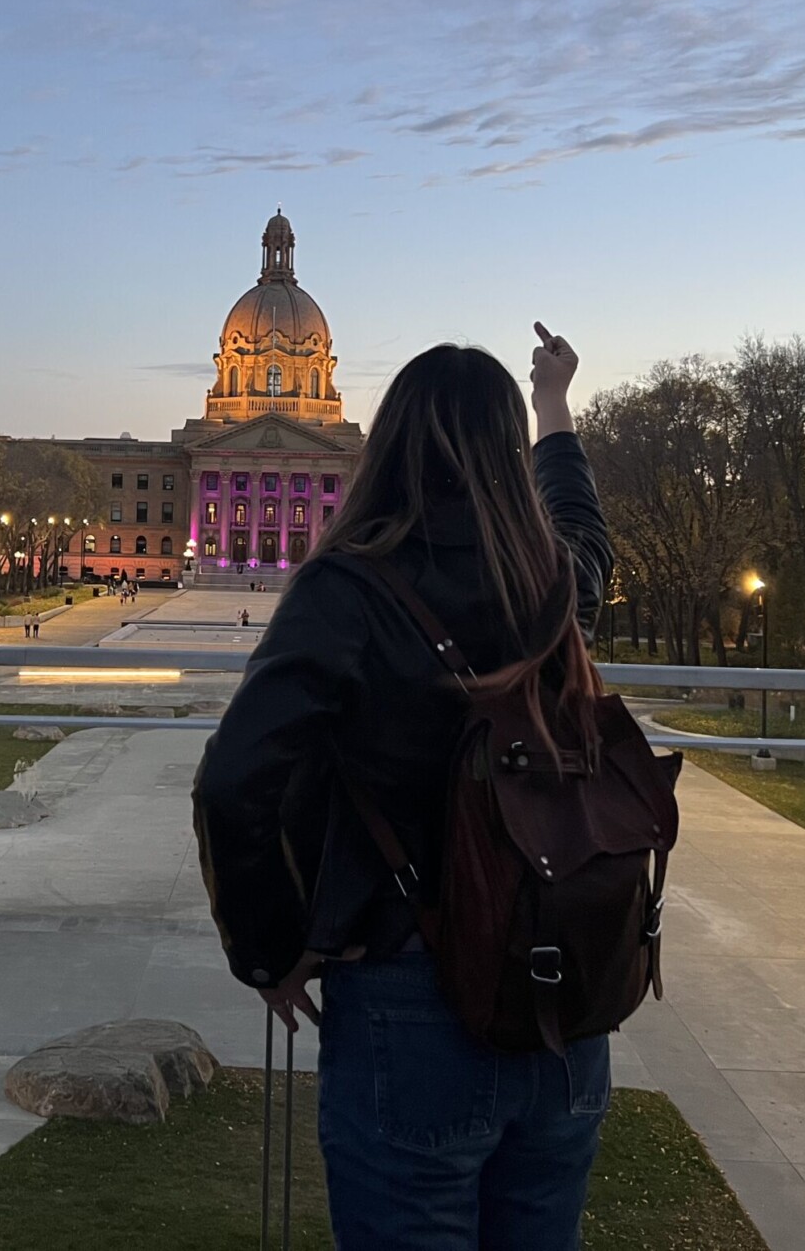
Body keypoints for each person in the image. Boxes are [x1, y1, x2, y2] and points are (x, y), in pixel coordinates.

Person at [193, 324, 612, 1251]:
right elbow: (584, 529)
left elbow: (234, 781)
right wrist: (552, 402)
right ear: (506, 453)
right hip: (559, 990)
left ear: (381, 443)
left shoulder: (346, 589)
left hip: (407, 982)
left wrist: (270, 951)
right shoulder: (551, 582)